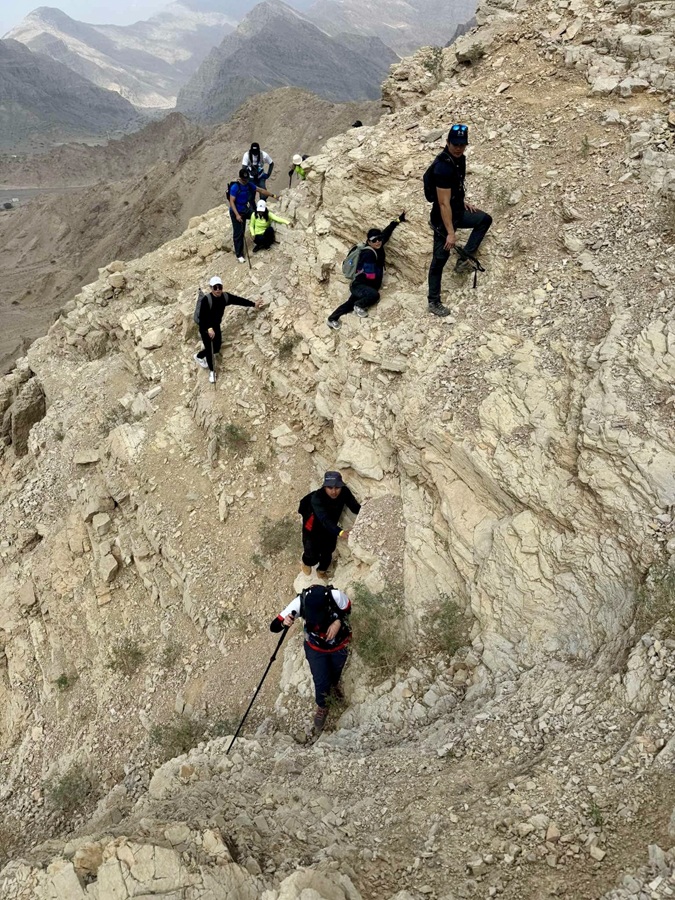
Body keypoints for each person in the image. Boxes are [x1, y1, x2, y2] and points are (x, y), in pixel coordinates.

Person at [427, 124, 492, 317]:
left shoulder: (459, 159)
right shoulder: (442, 168)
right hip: (443, 220)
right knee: (439, 259)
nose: (458, 147)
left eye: (462, 144)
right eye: (455, 144)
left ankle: (464, 258)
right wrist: (450, 233)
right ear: (447, 143)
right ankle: (433, 301)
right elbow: (443, 203)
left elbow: (456, 189)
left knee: (484, 219)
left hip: (456, 211)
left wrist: (463, 202)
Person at [270, 583, 352, 731]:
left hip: (339, 644)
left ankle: (334, 685)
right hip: (315, 649)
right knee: (320, 679)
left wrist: (338, 622)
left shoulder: (336, 596)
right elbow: (274, 626)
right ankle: (323, 705)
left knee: (336, 671)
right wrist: (284, 623)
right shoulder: (299, 603)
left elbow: (348, 610)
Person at [327, 211, 406, 331]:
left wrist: (398, 220)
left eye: (379, 239)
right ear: (369, 242)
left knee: (349, 303)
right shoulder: (368, 253)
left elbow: (387, 231)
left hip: (363, 285)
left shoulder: (378, 244)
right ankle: (359, 306)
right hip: (360, 285)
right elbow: (370, 275)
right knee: (374, 295)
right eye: (374, 240)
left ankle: (332, 319)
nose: (378, 241)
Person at [193, 276, 259, 383]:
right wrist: (209, 329)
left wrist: (253, 304)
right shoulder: (206, 300)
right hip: (205, 327)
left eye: (220, 287)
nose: (218, 289)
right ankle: (212, 372)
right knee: (210, 349)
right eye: (215, 287)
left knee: (217, 347)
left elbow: (238, 300)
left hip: (216, 326)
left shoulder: (225, 297)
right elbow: (203, 317)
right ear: (211, 288)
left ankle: (199, 356)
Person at [298, 471, 360, 577]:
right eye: (330, 488)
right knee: (311, 553)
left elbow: (355, 507)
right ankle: (306, 563)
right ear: (324, 487)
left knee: (328, 550)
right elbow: (324, 519)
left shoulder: (344, 492)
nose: (334, 492)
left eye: (337, 487)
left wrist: (367, 509)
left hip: (330, 527)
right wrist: (340, 532)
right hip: (313, 528)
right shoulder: (317, 498)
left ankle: (321, 570)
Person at [229, 168, 278, 263]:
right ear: (240, 178)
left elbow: (261, 190)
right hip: (236, 211)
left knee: (257, 216)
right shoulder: (235, 187)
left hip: (245, 209)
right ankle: (239, 255)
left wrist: (274, 196)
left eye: (246, 179)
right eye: (244, 179)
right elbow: (231, 202)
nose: (245, 181)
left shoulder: (248, 185)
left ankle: (260, 240)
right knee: (239, 232)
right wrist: (237, 215)